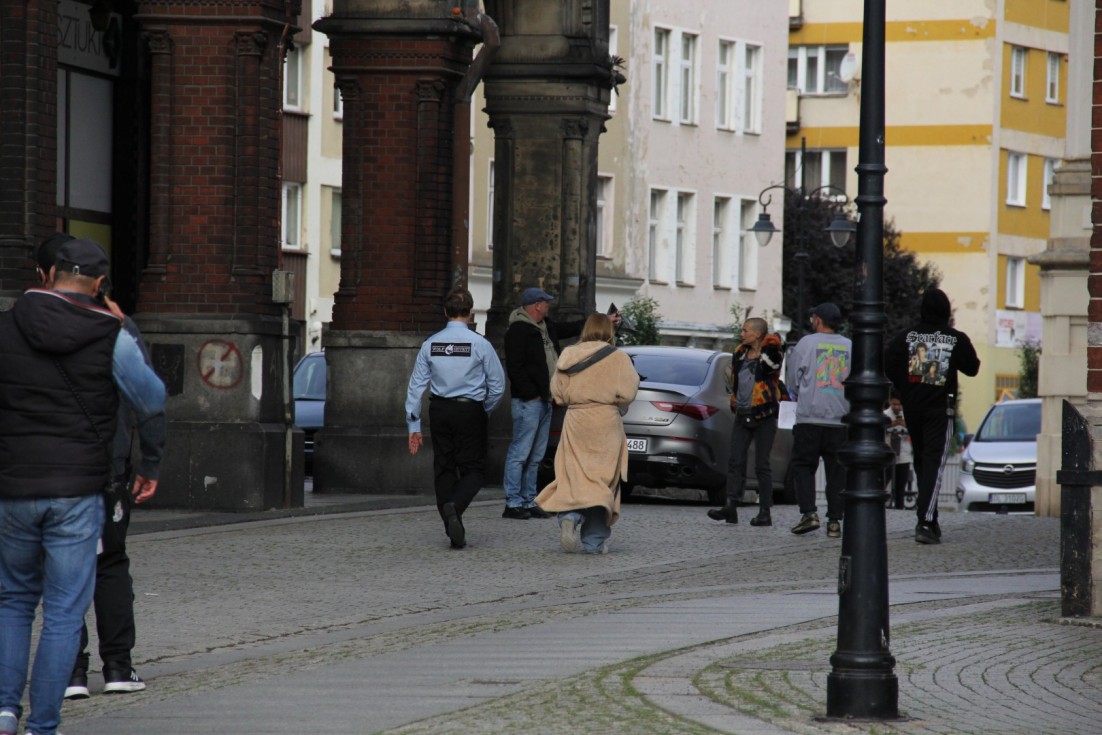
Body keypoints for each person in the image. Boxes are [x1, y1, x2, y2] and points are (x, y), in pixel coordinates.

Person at [0, 238, 166, 735]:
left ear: (47, 275)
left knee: (13, 601)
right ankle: (42, 727)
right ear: (97, 285)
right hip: (78, 489)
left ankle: (5, 712)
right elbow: (151, 398)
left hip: (13, 486)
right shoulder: (110, 333)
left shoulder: (5, 327)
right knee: (63, 610)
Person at [406, 287, 505, 549]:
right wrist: (484, 409)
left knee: (444, 467)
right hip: (470, 409)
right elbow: (497, 385)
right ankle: (455, 506)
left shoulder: (431, 344)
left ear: (445, 312)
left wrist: (413, 424)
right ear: (470, 312)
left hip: (439, 409)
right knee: (474, 469)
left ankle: (451, 525)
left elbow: (416, 387)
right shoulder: (481, 344)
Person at [535, 314, 639, 553]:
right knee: (603, 480)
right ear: (609, 331)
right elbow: (628, 392)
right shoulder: (618, 358)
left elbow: (558, 393)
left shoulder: (569, 355)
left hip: (576, 420)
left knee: (575, 474)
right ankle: (593, 541)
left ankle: (569, 515)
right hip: (605, 422)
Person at [885, 287, 980, 544]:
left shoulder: (908, 337)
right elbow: (972, 368)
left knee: (921, 461)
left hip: (913, 408)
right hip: (941, 409)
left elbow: (888, 363)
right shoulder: (955, 338)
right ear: (946, 311)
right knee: (934, 464)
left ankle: (931, 516)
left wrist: (906, 386)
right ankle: (925, 522)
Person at [500, 288, 586, 520]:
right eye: (546, 302)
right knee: (520, 453)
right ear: (537, 305)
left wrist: (599, 320)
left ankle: (529, 500)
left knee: (536, 455)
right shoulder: (518, 330)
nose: (549, 306)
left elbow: (569, 329)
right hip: (529, 402)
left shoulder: (545, 326)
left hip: (546, 400)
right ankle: (513, 502)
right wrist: (531, 394)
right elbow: (515, 367)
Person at [707, 318, 784, 526]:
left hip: (764, 414)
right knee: (735, 461)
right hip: (742, 413)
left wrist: (768, 344)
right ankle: (730, 507)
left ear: (757, 334)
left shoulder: (772, 353)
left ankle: (765, 512)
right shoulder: (740, 352)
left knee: (762, 465)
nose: (741, 334)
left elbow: (771, 368)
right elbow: (735, 379)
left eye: (745, 330)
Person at [786, 303, 852, 538]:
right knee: (837, 472)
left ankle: (809, 513)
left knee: (804, 466)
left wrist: (803, 393)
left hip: (809, 417)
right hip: (840, 419)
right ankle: (834, 521)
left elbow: (792, 380)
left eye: (813, 317)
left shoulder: (806, 343)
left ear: (818, 320)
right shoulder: (850, 346)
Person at [884, 393, 913, 510]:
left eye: (898, 404)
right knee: (883, 484)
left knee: (900, 489)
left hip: (904, 456)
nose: (896, 407)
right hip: (887, 455)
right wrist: (892, 424)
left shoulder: (908, 414)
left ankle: (900, 510)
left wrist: (904, 424)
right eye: (894, 404)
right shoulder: (885, 415)